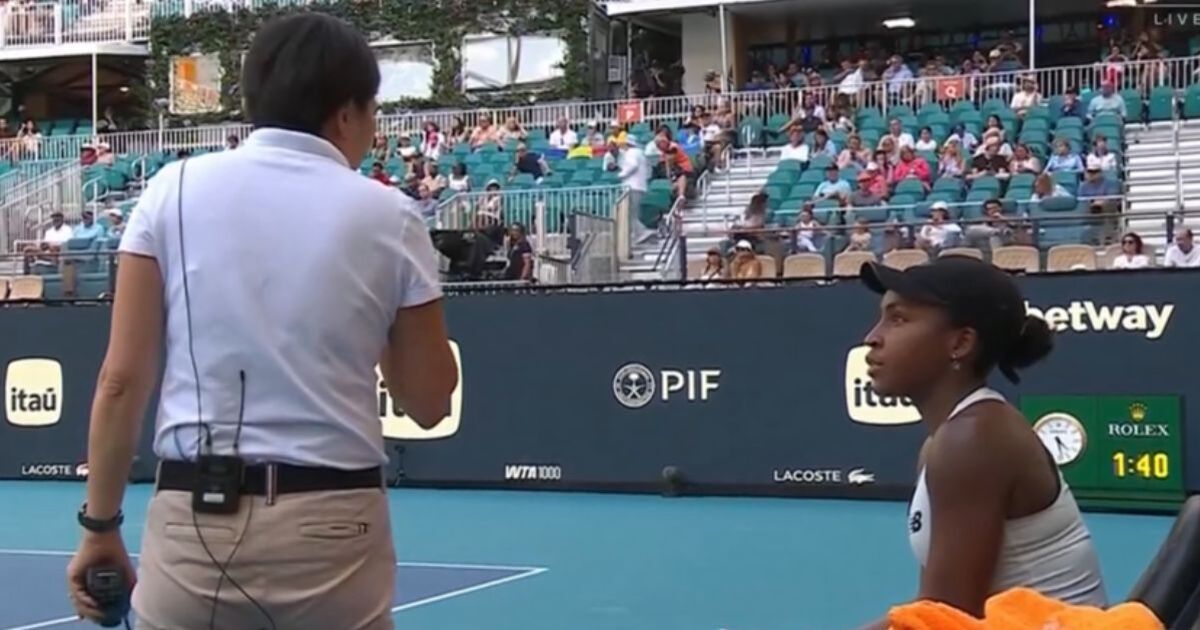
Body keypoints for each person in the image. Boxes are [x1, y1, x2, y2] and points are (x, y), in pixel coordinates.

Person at [65, 13, 459, 630]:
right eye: (373, 111)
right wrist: (373, 314)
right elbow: (429, 401)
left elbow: (121, 382)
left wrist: (100, 527)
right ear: (346, 113)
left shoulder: (170, 190)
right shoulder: (390, 215)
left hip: (196, 519)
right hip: (334, 524)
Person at [855, 257, 1107, 628]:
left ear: (960, 343)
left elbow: (942, 621)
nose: (872, 337)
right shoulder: (948, 441)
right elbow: (929, 609)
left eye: (899, 319)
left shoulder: (973, 439)